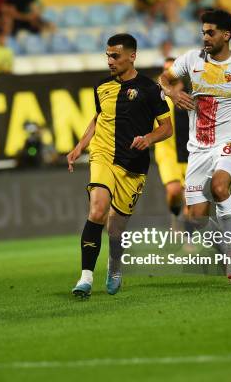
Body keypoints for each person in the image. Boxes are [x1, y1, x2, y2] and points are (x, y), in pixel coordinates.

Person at [159, 9, 231, 286]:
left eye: (210, 32)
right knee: (196, 219)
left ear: (226, 35)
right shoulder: (190, 60)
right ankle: (226, 250)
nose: (205, 37)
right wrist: (172, 92)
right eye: (203, 32)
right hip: (198, 148)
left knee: (220, 188)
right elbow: (164, 79)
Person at [66, 33, 173, 298]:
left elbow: (167, 128)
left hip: (133, 165)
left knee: (115, 228)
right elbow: (98, 117)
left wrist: (148, 139)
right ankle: (86, 278)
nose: (110, 61)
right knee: (98, 209)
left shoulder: (150, 89)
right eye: (108, 55)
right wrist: (80, 145)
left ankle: (114, 266)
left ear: (132, 56)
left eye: (115, 56)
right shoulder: (102, 87)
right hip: (102, 154)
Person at [154, 57, 190, 229]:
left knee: (191, 199)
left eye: (172, 69)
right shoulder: (157, 94)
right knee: (175, 192)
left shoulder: (191, 92)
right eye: (165, 70)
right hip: (168, 152)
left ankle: (188, 239)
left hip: (190, 151)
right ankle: (175, 214)